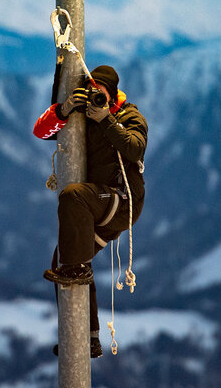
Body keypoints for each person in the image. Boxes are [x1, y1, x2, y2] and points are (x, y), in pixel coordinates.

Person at [32, 64, 147, 358]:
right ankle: (87, 338)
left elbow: (135, 148)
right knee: (66, 257)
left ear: (113, 94)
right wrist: (64, 109)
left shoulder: (129, 116)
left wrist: (106, 119)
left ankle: (77, 272)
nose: (96, 98)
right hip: (102, 202)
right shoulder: (82, 112)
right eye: (92, 92)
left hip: (122, 201)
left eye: (102, 94)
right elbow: (41, 132)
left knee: (74, 197)